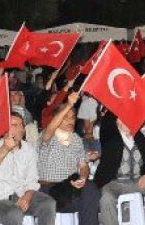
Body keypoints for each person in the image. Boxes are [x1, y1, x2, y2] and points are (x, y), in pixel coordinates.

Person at [94, 112, 145, 225]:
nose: (131, 122)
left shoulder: (139, 138)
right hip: (114, 182)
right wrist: (119, 104)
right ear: (118, 122)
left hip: (138, 180)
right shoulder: (110, 137)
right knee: (106, 198)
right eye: (126, 119)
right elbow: (107, 120)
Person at [0, 112, 56, 225]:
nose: (21, 128)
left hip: (21, 195)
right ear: (3, 128)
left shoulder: (28, 150)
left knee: (48, 204)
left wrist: (27, 196)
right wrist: (5, 148)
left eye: (21, 125)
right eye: (15, 125)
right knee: (14, 212)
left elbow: (32, 180)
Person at [37, 92, 99, 225]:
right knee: (85, 198)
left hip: (70, 186)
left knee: (91, 189)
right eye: (66, 117)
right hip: (49, 189)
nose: (71, 121)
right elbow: (51, 128)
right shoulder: (47, 136)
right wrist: (69, 104)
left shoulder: (76, 139)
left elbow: (83, 166)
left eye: (73, 117)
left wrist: (82, 178)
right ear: (57, 118)